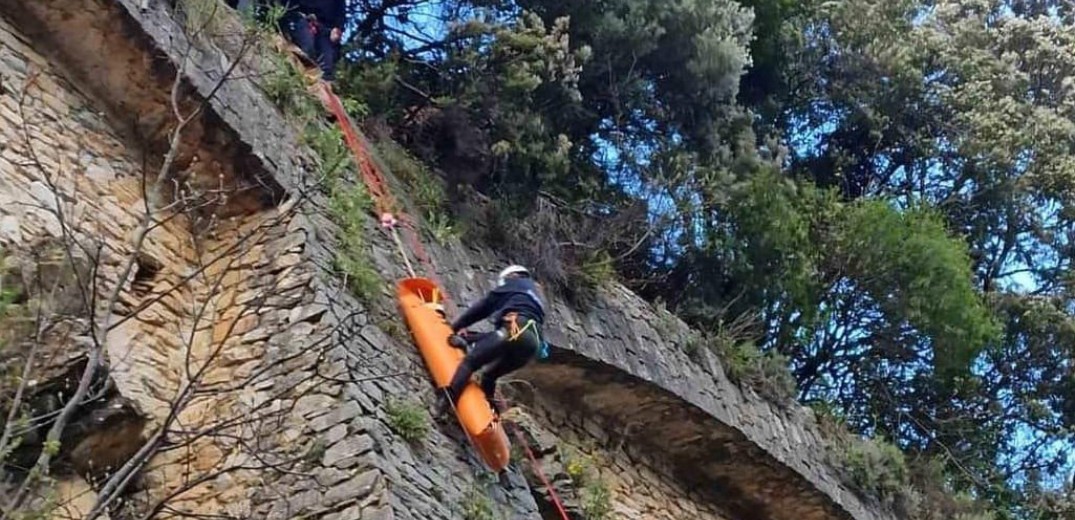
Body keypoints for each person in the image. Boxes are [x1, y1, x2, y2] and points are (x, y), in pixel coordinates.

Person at [434, 265, 547, 417]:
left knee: (470, 363)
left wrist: (455, 327)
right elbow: (503, 337)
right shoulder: (535, 297)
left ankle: (445, 402)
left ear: (513, 275)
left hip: (514, 331)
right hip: (531, 345)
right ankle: (490, 414)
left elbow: (482, 308)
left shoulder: (516, 283)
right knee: (489, 376)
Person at [275, 0, 346, 83]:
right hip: (301, 18)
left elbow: (340, 15)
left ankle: (322, 87)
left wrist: (337, 29)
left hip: (325, 29)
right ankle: (296, 77)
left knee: (327, 63)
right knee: (306, 49)